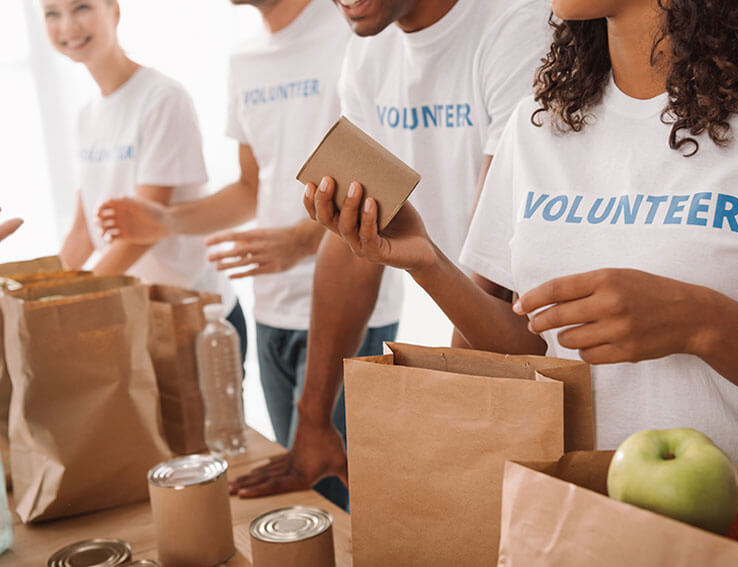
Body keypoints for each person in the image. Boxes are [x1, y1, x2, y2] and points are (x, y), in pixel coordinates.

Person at [303, 0, 738, 506]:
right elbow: (535, 353)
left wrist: (702, 323)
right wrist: (428, 261)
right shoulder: (541, 123)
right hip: (576, 527)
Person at [221, 0, 552, 499]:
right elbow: (353, 244)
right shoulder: (368, 53)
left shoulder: (514, 26)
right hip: (481, 341)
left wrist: (445, 429)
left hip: (544, 352)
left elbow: (493, 267)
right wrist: (312, 423)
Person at [96, 0, 396, 509]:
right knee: (307, 498)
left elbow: (383, 185)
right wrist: (168, 222)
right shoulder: (245, 60)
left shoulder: (356, 32)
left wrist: (299, 241)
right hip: (271, 311)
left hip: (353, 308)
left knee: (345, 502)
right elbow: (252, 188)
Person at [41, 0, 246, 355]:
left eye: (81, 7)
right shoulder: (87, 117)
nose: (67, 27)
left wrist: (73, 303)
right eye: (52, 13)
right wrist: (41, 294)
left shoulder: (161, 98)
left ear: (115, 11)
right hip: (141, 314)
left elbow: (143, 231)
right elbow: (83, 233)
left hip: (197, 314)